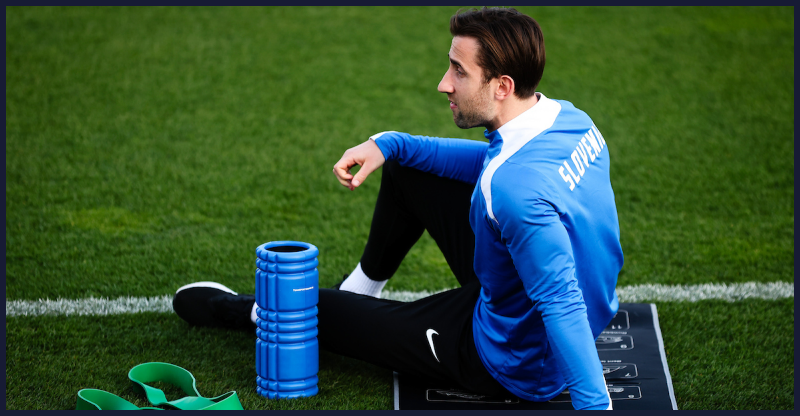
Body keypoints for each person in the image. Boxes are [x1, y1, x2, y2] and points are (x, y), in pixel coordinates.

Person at [172, 7, 623, 410]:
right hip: (520, 297)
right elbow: (491, 164)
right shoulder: (569, 119)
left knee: (306, 307)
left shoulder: (514, 192)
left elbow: (560, 302)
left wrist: (593, 404)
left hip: (514, 358)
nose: (444, 83)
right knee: (407, 166)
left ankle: (241, 311)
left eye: (459, 71)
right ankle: (361, 289)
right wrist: (390, 144)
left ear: (502, 86)